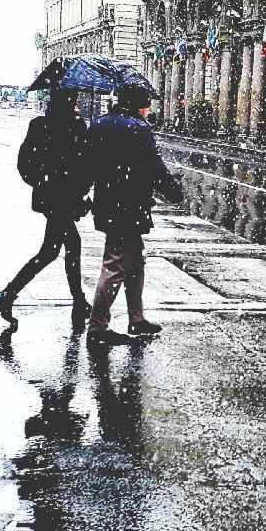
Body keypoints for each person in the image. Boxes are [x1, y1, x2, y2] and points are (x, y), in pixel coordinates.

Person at [84, 84, 183, 345]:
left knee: (135, 261)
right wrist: (173, 190)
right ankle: (97, 326)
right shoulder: (138, 129)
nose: (148, 110)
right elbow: (154, 166)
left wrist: (83, 193)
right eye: (146, 105)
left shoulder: (98, 125)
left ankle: (136, 319)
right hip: (130, 206)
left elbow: (88, 164)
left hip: (109, 203)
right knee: (116, 264)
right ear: (140, 105)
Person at [0, 89, 91, 330]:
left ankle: (11, 295)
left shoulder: (40, 125)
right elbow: (85, 164)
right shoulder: (76, 127)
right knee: (63, 249)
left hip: (51, 198)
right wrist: (80, 191)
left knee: (53, 251)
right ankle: (9, 295)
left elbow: (24, 162)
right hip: (64, 198)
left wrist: (41, 181)